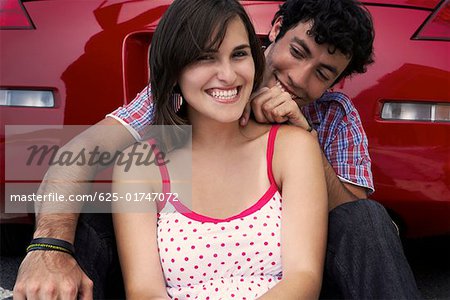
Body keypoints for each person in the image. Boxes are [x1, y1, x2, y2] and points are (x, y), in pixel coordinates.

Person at [14, 0, 421, 299]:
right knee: (89, 217)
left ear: (335, 83)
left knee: (368, 217)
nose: (298, 78)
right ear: (276, 28)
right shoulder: (180, 100)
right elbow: (79, 153)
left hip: (295, 271)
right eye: (297, 52)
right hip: (171, 255)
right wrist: (48, 246)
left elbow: (358, 224)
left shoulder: (332, 116)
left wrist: (305, 136)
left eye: (323, 73)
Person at [112, 1, 327, 298]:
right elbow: (144, 291)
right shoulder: (139, 167)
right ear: (174, 69)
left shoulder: (292, 148)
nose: (228, 75)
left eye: (239, 54)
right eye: (205, 58)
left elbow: (304, 277)